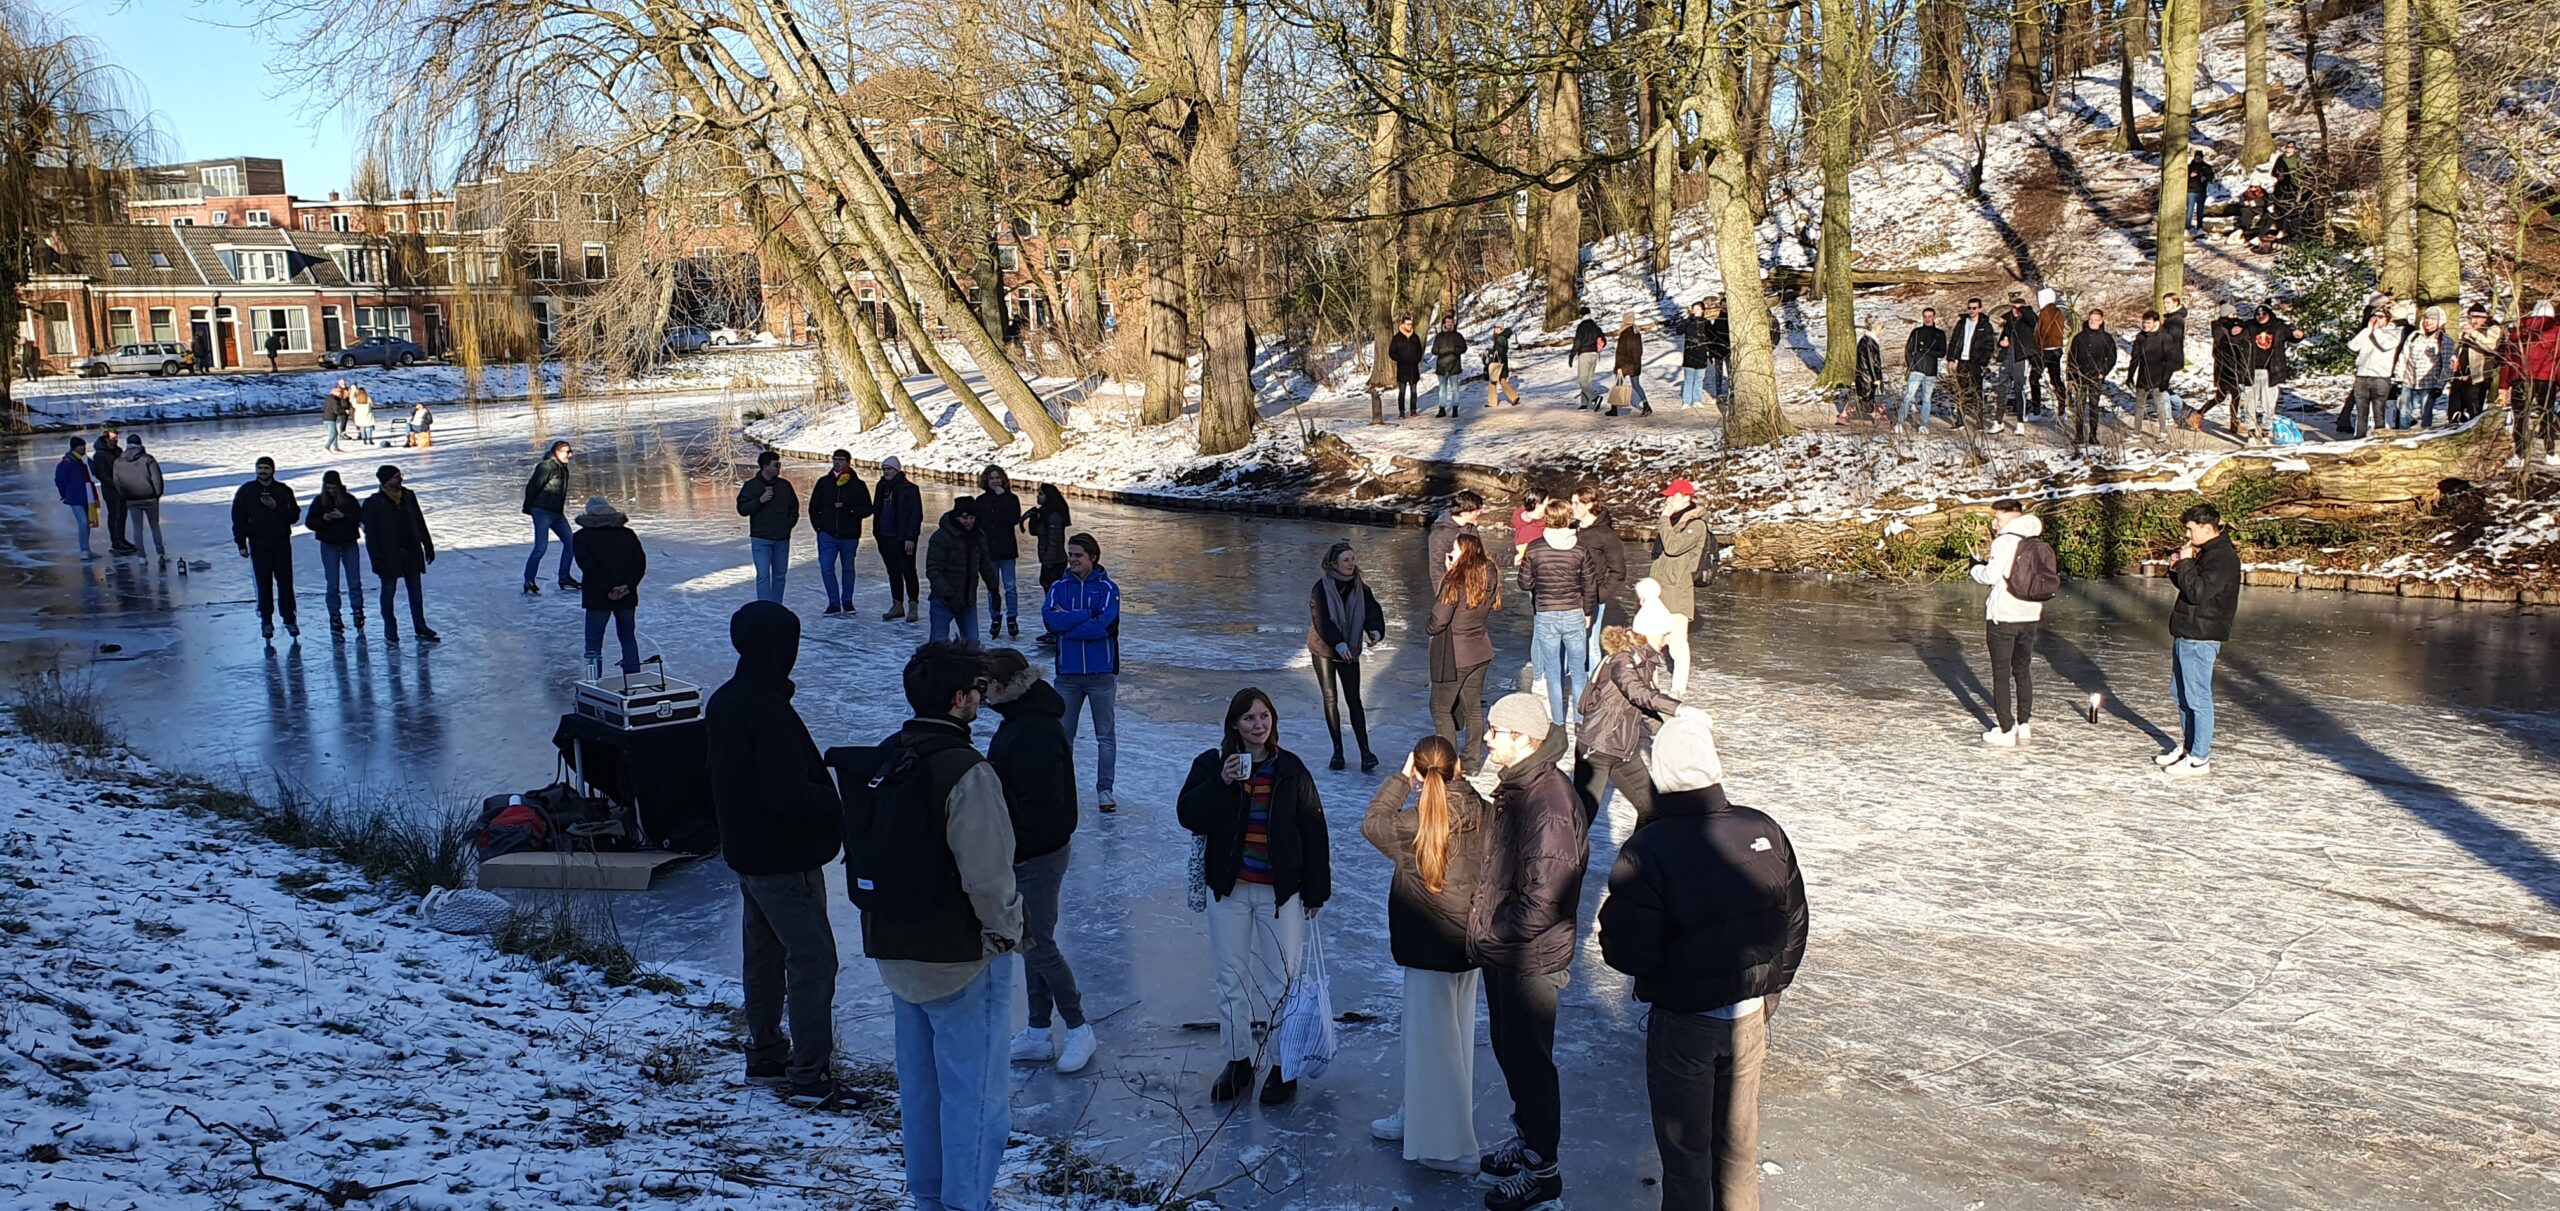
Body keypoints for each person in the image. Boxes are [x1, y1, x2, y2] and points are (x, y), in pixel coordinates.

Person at [1599, 714, 1809, 1211]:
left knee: (1686, 1157)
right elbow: (1795, 919)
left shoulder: (1649, 848)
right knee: (1737, 1151)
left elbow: (1629, 950)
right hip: (1749, 1017)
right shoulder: (1763, 829)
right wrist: (1771, 986)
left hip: (1684, 1025)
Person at [863, 642, 1025, 1211]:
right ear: (960, 701)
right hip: (960, 959)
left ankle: (929, 1198)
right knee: (976, 1100)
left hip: (896, 949)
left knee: (922, 1092)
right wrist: (1006, 933)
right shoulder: (967, 770)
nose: (983, 700)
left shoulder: (887, 757)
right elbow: (988, 874)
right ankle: (965, 1204)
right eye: (979, 691)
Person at [705, 600, 844, 1104]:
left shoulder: (726, 700)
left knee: (763, 955)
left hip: (748, 855)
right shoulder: (766, 710)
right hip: (785, 859)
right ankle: (810, 1075)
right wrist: (837, 806)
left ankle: (765, 1053)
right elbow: (787, 793)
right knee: (813, 960)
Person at [1176, 688, 1330, 1106]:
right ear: (1234, 725)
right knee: (1231, 980)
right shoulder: (1211, 765)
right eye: (1249, 718)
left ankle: (1285, 1064)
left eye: (1264, 716)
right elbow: (1188, 814)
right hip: (1230, 891)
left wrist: (1317, 890)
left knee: (1283, 982)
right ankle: (1238, 1059)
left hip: (1281, 894)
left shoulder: (1291, 769)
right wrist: (1224, 783)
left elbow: (1314, 829)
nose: (1258, 725)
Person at [1471, 693, 1586, 1211]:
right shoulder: (1521, 786)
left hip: (1530, 958)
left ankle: (1545, 1173)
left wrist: (1488, 930)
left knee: (1532, 1066)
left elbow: (1544, 901)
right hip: (1508, 953)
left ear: (1526, 740)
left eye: (1497, 731)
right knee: (1512, 1055)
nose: (1488, 738)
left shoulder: (1551, 804)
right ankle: (1528, 1139)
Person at [1362, 735, 1489, 1174]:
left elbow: (1372, 822)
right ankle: (1418, 1116)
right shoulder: (1483, 811)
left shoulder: (1413, 823)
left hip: (1427, 947)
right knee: (1453, 1044)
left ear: (1418, 771)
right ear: (1457, 770)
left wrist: (1400, 779)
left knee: (1433, 1046)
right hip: (1468, 944)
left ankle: (1449, 1147)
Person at [984, 648, 1099, 1075]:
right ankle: (1036, 1031)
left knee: (1036, 942)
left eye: (984, 686)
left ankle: (1078, 1026)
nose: (979, 696)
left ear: (1000, 685)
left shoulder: (1031, 730)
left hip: (1038, 853)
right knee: (1030, 940)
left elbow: (1035, 804)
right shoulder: (1022, 719)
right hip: (1029, 849)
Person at [1041, 532, 1121, 811]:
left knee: (1105, 736)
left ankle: (1105, 790)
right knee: (1063, 737)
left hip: (1101, 674)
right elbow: (1051, 621)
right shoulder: (1058, 588)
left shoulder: (1109, 589)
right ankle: (1062, 790)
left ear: (1093, 558)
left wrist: (1069, 625)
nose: (1072, 559)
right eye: (1070, 554)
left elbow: (1105, 626)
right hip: (1068, 676)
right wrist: (1087, 614)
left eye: (1078, 555)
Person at [2159, 504, 2240, 778]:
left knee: (2197, 697)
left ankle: (2199, 758)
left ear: (2207, 528)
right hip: (2188, 631)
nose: (2187, 533)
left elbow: (2197, 593)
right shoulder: (2208, 553)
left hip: (2201, 637)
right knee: (2181, 694)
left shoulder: (2222, 558)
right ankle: (2189, 747)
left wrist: (2185, 563)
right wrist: (2177, 569)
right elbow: (2190, 586)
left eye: (2191, 528)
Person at [1576, 626, 1685, 828]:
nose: (1666, 639)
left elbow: (1644, 707)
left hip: (1624, 751)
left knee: (1653, 810)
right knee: (1581, 820)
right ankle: (1563, 859)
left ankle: (1633, 859)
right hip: (1598, 748)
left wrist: (1668, 736)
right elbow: (1636, 692)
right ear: (1646, 632)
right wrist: (1678, 708)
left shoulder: (1644, 662)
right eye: (1663, 633)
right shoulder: (1623, 660)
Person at [1968, 499, 2046, 746]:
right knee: (2022, 669)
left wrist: (1974, 569)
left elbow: (1991, 576)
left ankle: (2005, 730)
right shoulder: (2036, 539)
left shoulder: (2004, 542)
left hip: (2004, 615)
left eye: (1998, 519)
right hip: (2030, 614)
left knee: (2001, 673)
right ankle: (2024, 724)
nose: (1994, 523)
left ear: (2013, 517)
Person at [1307, 540, 1385, 772]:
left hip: (1349, 649)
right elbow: (1322, 620)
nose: (1351, 564)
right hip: (1324, 647)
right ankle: (1337, 752)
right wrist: (1338, 643)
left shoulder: (1362, 587)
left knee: (1354, 699)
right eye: (1346, 560)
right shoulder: (1321, 588)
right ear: (1334, 563)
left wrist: (1375, 631)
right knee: (1331, 698)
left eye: (1353, 559)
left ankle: (1365, 752)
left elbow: (1372, 610)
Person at [1517, 499, 1595, 729]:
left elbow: (1524, 582)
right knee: (1578, 671)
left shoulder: (1535, 547)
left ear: (1547, 519)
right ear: (1568, 518)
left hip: (1546, 613)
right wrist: (1588, 611)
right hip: (1573, 612)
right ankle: (1579, 720)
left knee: (1553, 672)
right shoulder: (1580, 549)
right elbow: (1590, 585)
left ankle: (1558, 721)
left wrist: (1538, 583)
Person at [1429, 532, 1500, 774]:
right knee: (1473, 708)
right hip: (1481, 650)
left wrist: (1428, 627)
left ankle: (1449, 764)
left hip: (1455, 654)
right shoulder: (1488, 574)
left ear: (1465, 553)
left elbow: (1439, 618)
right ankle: (1471, 762)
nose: (1451, 551)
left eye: (1455, 548)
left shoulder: (1455, 580)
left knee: (1440, 707)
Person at [360, 464, 439, 645]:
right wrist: (376, 560)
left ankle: (420, 625)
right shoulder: (374, 503)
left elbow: (419, 520)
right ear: (386, 481)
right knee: (388, 592)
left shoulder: (409, 496)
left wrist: (428, 545)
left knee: (416, 593)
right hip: (389, 556)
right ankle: (390, 628)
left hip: (411, 552)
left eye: (399, 475)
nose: (400, 479)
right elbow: (371, 536)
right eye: (396, 477)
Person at [571, 496, 646, 676]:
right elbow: (639, 563)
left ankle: (593, 682)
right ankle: (634, 678)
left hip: (598, 597)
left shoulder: (581, 537)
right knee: (627, 637)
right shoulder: (628, 534)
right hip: (627, 596)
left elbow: (589, 567)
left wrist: (609, 589)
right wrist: (626, 587)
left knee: (593, 642)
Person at [232, 457, 301, 641]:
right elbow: (238, 518)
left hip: (281, 544)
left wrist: (276, 507)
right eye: (260, 468)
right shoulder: (247, 491)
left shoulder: (283, 490)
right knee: (263, 585)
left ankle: (289, 618)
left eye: (266, 468)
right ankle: (266, 621)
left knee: (285, 583)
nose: (262, 471)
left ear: (273, 470)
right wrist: (241, 543)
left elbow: (294, 515)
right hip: (258, 544)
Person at [1651, 480, 1711, 694]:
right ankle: (1650, 685)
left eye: (1672, 496)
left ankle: (1678, 688)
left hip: (1677, 591)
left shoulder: (1696, 525)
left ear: (1686, 497)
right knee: (1651, 639)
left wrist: (1664, 519)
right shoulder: (1674, 522)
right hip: (1659, 590)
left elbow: (1673, 547)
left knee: (1677, 643)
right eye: (1667, 496)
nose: (1667, 501)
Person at [926, 495, 1001, 644]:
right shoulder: (941, 537)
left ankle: (969, 667)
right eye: (965, 517)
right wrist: (949, 595)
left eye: (972, 518)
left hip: (968, 601)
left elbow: (985, 565)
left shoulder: (978, 536)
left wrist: (994, 589)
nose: (969, 522)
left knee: (972, 641)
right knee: (938, 644)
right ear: (956, 517)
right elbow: (933, 570)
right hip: (943, 601)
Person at [808, 450, 873, 616]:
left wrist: (850, 510)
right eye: (835, 459)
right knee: (826, 567)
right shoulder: (824, 482)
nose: (837, 463)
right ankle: (834, 602)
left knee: (848, 569)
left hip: (849, 534)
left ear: (848, 462)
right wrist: (818, 527)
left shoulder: (857, 485)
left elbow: (867, 509)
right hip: (827, 534)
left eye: (841, 460)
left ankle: (847, 601)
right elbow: (813, 507)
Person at [1571, 486, 1629, 670]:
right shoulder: (1572, 528)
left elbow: (1618, 571)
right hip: (1569, 594)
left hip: (1593, 595)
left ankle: (1593, 685)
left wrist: (1599, 594)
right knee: (1569, 643)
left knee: (1591, 644)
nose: (1571, 507)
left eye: (1575, 503)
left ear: (1588, 504)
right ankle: (1569, 683)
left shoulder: (1606, 535)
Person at [303, 470, 365, 633]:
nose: (331, 491)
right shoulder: (319, 501)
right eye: (328, 488)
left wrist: (343, 516)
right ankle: (334, 615)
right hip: (329, 544)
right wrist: (324, 519)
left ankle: (358, 611)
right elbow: (309, 522)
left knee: (354, 581)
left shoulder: (349, 500)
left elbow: (359, 518)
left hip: (349, 543)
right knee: (332, 583)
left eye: (334, 488)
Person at [737, 450, 799, 604]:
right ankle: (765, 607)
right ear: (765, 466)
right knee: (763, 574)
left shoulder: (785, 486)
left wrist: (787, 525)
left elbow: (794, 508)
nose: (779, 468)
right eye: (776, 465)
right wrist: (760, 500)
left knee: (779, 575)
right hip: (761, 538)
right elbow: (742, 509)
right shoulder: (751, 486)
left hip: (782, 538)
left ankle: (777, 606)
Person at [970, 466, 1025, 639]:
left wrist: (1002, 498)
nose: (995, 481)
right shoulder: (981, 501)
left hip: (1007, 549)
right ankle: (995, 617)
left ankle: (1012, 617)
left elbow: (1013, 518)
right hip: (988, 550)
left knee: (1010, 586)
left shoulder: (1011, 499)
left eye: (998, 478)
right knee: (992, 587)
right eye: (992, 478)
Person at [520, 440, 578, 596]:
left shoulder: (563, 469)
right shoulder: (547, 466)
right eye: (567, 452)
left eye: (570, 451)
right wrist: (528, 508)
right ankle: (529, 580)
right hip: (542, 511)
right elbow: (533, 486)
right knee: (541, 547)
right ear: (557, 452)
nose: (570, 455)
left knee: (571, 543)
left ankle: (564, 577)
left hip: (557, 513)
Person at [2241, 304, 2306, 444]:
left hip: (2271, 372)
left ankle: (2266, 432)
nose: (2261, 316)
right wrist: (2234, 329)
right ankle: (2251, 433)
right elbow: (2232, 333)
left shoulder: (2278, 327)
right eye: (2258, 314)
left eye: (2264, 314)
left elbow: (2291, 335)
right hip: (2251, 371)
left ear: (2269, 314)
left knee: (2268, 405)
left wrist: (2298, 336)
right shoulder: (2249, 327)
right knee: (2249, 404)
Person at [875, 456, 924, 621]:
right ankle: (897, 604)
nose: (887, 472)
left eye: (890, 469)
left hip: (903, 538)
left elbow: (916, 515)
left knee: (908, 571)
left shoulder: (909, 489)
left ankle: (913, 605)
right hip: (885, 536)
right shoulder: (881, 487)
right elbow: (877, 509)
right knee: (893, 571)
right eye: (885, 469)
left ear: (897, 470)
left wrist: (911, 537)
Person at [2345, 307, 2403, 438]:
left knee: (2379, 412)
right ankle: (2359, 438)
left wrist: (2375, 331)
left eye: (2380, 317)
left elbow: (2385, 345)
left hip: (2381, 378)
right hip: (2362, 377)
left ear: (2387, 319)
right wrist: (2367, 330)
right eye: (2374, 316)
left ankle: (2379, 438)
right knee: (2361, 412)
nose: (2376, 319)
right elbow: (2352, 346)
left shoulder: (2394, 333)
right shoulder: (2367, 331)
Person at [113, 435, 169, 564]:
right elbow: (156, 479)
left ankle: (141, 556)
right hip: (150, 498)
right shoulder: (148, 459)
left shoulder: (118, 462)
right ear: (140, 444)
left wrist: (124, 496)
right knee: (154, 525)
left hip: (131, 499)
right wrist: (157, 494)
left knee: (137, 528)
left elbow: (117, 482)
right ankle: (160, 554)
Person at [2066, 309, 2118, 446]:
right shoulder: (2079, 338)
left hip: (2096, 377)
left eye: (2095, 320)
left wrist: (2103, 371)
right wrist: (2070, 377)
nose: (2092, 322)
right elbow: (2071, 358)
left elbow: (2112, 357)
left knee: (2094, 407)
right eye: (2090, 319)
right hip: (2080, 376)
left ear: (2101, 321)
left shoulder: (2106, 338)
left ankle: (2093, 435)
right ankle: (2079, 434)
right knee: (2079, 406)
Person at [2398, 307, 2454, 430]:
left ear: (2440, 321)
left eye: (2433, 319)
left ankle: (2425, 436)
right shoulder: (2414, 336)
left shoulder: (2445, 341)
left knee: (2425, 414)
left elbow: (2446, 366)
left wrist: (2439, 386)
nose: (2428, 322)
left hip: (2429, 384)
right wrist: (2399, 376)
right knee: (2404, 412)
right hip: (2409, 380)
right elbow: (2404, 357)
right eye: (2427, 318)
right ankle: (2402, 436)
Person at [2126, 311, 2179, 435]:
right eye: (2144, 322)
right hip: (2143, 377)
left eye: (2148, 323)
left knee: (2159, 405)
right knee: (2139, 406)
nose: (2145, 325)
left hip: (2158, 377)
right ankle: (2137, 431)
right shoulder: (2140, 337)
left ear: (2156, 322)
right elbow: (2135, 358)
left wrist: (2165, 380)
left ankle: (2163, 431)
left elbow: (2170, 361)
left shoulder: (2165, 337)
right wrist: (2130, 376)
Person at [1949, 297, 1998, 429]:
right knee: (1961, 391)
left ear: (1980, 309)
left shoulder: (1985, 325)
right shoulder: (1962, 323)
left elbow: (1989, 345)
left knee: (1977, 391)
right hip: (1962, 361)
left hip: (1975, 362)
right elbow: (1954, 341)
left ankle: (1979, 421)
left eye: (1974, 308)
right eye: (1969, 308)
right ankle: (1960, 420)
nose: (1971, 310)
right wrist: (1951, 359)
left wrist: (1983, 361)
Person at [1994, 292, 2039, 428]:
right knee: (2002, 389)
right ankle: (1998, 421)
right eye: (2013, 307)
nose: (2015, 311)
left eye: (2018, 308)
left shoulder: (2028, 322)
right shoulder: (2009, 322)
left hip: (2020, 359)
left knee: (2019, 389)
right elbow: (2001, 340)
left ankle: (2020, 422)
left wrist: (2023, 308)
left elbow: (2032, 318)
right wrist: (2002, 342)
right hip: (2006, 358)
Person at [2450, 304, 2502, 424]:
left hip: (2477, 378)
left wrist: (2474, 333)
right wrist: (2454, 356)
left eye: (2476, 318)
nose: (2473, 321)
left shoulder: (2493, 329)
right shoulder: (2469, 330)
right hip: (2459, 376)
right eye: (2470, 318)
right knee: (2454, 412)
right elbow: (2462, 346)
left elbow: (2491, 346)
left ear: (2485, 318)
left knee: (2471, 413)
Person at [1023, 482, 1073, 599]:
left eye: (1041, 494)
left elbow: (1054, 542)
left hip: (1055, 562)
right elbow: (1034, 531)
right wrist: (1033, 517)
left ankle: (1055, 616)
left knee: (1054, 594)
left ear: (1048, 496)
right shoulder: (1044, 512)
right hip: (1048, 559)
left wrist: (1048, 563)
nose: (1037, 496)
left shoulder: (1054, 516)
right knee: (1049, 592)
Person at [1900, 307, 1946, 431]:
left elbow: (1942, 353)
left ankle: (1923, 424)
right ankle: (1900, 422)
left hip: (1930, 372)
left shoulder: (1939, 334)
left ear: (1934, 317)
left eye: (1930, 316)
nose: (1927, 319)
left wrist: (1927, 350)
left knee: (1926, 399)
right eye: (1925, 316)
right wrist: (1911, 365)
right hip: (1916, 370)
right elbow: (1908, 350)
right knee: (1908, 396)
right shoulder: (1916, 332)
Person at [1428, 489, 1488, 581]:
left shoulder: (1470, 527)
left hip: (1474, 583)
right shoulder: (1440, 534)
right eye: (1477, 511)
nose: (1480, 513)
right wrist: (1443, 594)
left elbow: (1481, 553)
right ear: (1464, 513)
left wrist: (1512, 560)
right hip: (1453, 585)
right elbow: (1437, 568)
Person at [54, 438, 98, 560]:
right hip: (74, 497)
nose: (83, 448)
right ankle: (84, 550)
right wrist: (64, 494)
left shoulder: (86, 461)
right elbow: (60, 480)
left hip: (88, 496)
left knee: (87, 523)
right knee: (83, 522)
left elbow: (94, 472)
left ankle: (87, 549)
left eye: (84, 445)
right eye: (80, 446)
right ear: (74, 448)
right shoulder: (67, 463)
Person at [91, 428, 133, 556]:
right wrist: (113, 483)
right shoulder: (99, 454)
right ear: (105, 439)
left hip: (122, 488)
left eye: (116, 438)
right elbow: (99, 473)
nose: (115, 440)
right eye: (113, 438)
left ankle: (122, 539)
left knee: (123, 515)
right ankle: (116, 542)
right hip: (110, 490)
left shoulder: (118, 451)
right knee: (114, 516)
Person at [2034, 288, 2070, 417]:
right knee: (2055, 379)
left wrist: (2036, 345)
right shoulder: (2058, 311)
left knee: (2034, 378)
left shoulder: (2046, 312)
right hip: (2056, 349)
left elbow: (2039, 332)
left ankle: (2036, 408)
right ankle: (2062, 407)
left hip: (2046, 350)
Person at [1608, 313, 1650, 416]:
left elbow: (1621, 352)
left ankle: (1614, 409)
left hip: (1624, 366)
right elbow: (1639, 350)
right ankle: (1646, 405)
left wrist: (1619, 367)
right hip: (1635, 365)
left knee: (1618, 385)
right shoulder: (1636, 333)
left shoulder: (1624, 334)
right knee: (1636, 385)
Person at [1431, 317, 1470, 418]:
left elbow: (1464, 348)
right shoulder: (1439, 336)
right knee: (1442, 389)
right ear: (1444, 323)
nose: (1449, 324)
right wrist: (1441, 350)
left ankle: (1455, 409)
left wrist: (1453, 349)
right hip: (1442, 366)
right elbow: (1434, 350)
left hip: (1454, 366)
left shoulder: (1457, 336)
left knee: (1455, 388)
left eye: (1451, 322)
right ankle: (1442, 409)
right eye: (1447, 322)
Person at [1388, 317, 1425, 420]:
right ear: (1403, 325)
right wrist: (1400, 359)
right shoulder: (1397, 338)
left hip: (1413, 368)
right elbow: (1391, 352)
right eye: (1408, 324)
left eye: (1411, 324)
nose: (1410, 326)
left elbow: (1419, 352)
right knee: (1402, 391)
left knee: (1414, 391)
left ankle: (1413, 410)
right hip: (1402, 368)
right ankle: (1402, 411)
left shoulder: (1415, 337)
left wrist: (1416, 360)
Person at [1570, 308, 1606, 408]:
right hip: (1594, 355)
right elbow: (1603, 340)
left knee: (1582, 380)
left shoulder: (1581, 326)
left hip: (1584, 354)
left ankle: (1594, 398)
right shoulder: (1595, 326)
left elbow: (1577, 342)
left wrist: (1572, 354)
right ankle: (1584, 404)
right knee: (1588, 381)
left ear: (1582, 315)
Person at [1851, 317, 1884, 424]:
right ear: (1875, 328)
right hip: (1867, 376)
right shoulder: (1869, 342)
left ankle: (1845, 415)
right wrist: (1876, 378)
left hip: (1865, 375)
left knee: (1865, 398)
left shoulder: (1867, 340)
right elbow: (1871, 361)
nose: (1882, 332)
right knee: (1871, 397)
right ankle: (1879, 418)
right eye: (1881, 329)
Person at [1484, 322, 1523, 407]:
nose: (1494, 329)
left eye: (1496, 327)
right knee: (1502, 381)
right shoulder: (1502, 337)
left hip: (1499, 363)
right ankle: (1514, 397)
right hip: (1503, 362)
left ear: (1501, 328)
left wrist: (1491, 352)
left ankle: (1492, 402)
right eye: (1494, 327)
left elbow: (1499, 351)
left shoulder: (1501, 338)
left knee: (1493, 382)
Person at [2185, 150, 2216, 233]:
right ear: (2194, 157)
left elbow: (2211, 176)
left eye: (2199, 158)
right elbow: (2183, 177)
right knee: (2189, 210)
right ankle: (2187, 227)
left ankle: (2199, 227)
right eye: (2196, 157)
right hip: (2191, 191)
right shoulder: (2189, 167)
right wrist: (2189, 176)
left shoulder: (2206, 167)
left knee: (2200, 211)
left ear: (2202, 158)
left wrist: (2206, 177)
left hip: (2202, 192)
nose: (2198, 159)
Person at [323, 380, 349, 451]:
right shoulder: (334, 400)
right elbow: (337, 410)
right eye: (340, 394)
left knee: (335, 433)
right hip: (330, 418)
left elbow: (323, 408)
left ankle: (336, 447)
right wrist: (344, 412)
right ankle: (327, 446)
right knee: (333, 434)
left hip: (326, 418)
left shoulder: (328, 399)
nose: (341, 395)